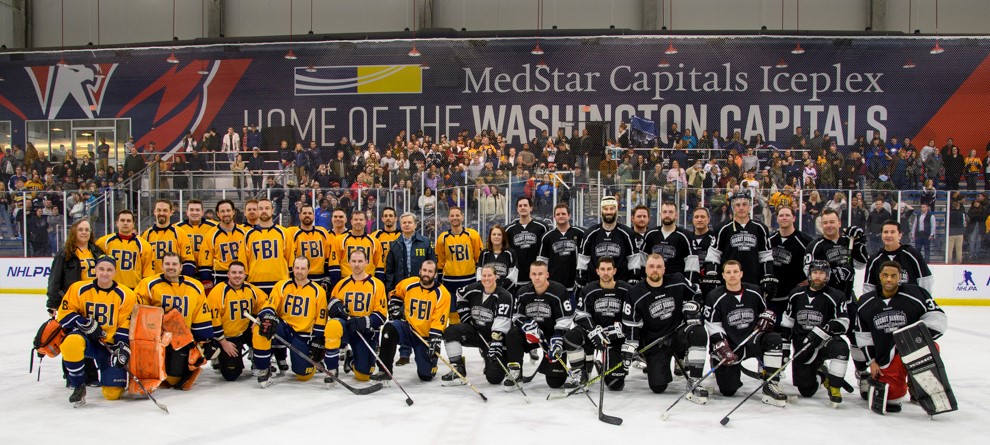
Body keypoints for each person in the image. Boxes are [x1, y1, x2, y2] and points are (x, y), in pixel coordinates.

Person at [854, 261, 948, 414]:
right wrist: (872, 362)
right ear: (879, 277)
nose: (889, 280)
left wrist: (911, 340)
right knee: (891, 401)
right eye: (885, 275)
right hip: (886, 358)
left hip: (912, 350)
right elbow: (864, 337)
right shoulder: (865, 302)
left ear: (900, 277)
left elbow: (938, 320)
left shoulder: (917, 294)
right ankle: (894, 383)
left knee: (930, 349)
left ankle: (917, 384)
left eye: (893, 276)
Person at [620, 254, 705, 399]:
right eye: (651, 266)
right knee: (658, 387)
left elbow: (696, 293)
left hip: (678, 333)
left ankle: (695, 379)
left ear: (664, 269)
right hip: (656, 342)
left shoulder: (677, 280)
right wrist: (631, 345)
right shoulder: (635, 293)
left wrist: (695, 305)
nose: (655, 270)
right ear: (645, 269)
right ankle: (648, 359)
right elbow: (632, 324)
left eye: (659, 267)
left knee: (698, 332)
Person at [56, 255, 138, 406]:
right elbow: (63, 315)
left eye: (109, 270)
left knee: (111, 394)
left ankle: (110, 377)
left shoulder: (127, 295)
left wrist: (122, 346)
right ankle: (79, 385)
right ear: (95, 270)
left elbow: (126, 323)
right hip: (86, 340)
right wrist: (84, 322)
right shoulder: (78, 288)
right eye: (101, 269)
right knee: (70, 342)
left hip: (109, 346)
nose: (104, 273)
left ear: (115, 272)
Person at [704, 260, 787, 406]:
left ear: (741, 273)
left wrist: (768, 317)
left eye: (735, 272)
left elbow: (765, 312)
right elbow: (713, 325)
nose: (732, 275)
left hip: (752, 339)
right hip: (731, 345)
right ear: (723, 275)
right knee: (728, 390)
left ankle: (771, 383)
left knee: (774, 338)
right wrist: (721, 345)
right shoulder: (714, 296)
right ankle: (717, 362)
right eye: (728, 272)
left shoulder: (755, 291)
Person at [134, 252, 214, 389]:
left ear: (181, 267)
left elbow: (200, 314)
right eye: (167, 264)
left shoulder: (194, 286)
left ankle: (189, 368)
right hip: (156, 338)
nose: (171, 267)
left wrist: (204, 340)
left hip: (181, 340)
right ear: (162, 266)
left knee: (172, 380)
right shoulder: (148, 284)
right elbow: (140, 313)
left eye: (174, 264)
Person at [252, 256, 331, 387]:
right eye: (297, 268)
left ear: (308, 269)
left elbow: (321, 319)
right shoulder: (282, 286)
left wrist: (318, 340)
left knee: (303, 375)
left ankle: (311, 365)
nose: (299, 271)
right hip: (283, 328)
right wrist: (265, 316)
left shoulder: (318, 291)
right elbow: (270, 305)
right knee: (262, 325)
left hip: (302, 335)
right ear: (293, 268)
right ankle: (263, 369)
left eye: (303, 268)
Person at [781, 260, 850, 406]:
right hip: (803, 346)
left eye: (822, 273)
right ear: (809, 274)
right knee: (806, 391)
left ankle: (835, 386)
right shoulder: (795, 294)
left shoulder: (836, 296)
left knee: (841, 348)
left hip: (825, 343)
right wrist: (785, 352)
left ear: (827, 276)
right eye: (815, 273)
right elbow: (787, 323)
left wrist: (823, 330)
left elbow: (844, 323)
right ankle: (821, 374)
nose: (818, 276)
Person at [47, 219, 105, 386]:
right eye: (81, 229)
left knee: (90, 337)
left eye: (87, 229)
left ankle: (92, 375)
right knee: (71, 338)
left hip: (92, 301)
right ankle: (71, 377)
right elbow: (55, 280)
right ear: (74, 232)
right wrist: (52, 303)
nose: (84, 232)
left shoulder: (95, 251)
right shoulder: (65, 253)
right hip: (71, 302)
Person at [372, 260, 451, 382]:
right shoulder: (409, 283)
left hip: (425, 338)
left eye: (430, 271)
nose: (426, 274)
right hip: (408, 329)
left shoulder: (443, 294)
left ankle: (431, 365)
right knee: (389, 328)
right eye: (424, 270)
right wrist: (395, 307)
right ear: (420, 271)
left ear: (435, 274)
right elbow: (396, 294)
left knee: (426, 376)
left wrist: (434, 340)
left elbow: (439, 320)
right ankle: (384, 370)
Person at [441, 265, 517, 386]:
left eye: (490, 275)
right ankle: (458, 368)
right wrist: (465, 314)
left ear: (496, 276)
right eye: (484, 275)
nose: (486, 279)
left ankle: (501, 360)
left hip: (493, 339)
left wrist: (495, 341)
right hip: (475, 331)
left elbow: (502, 322)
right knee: (450, 332)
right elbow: (460, 295)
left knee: (494, 378)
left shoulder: (505, 296)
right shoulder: (475, 288)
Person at [701, 190, 775, 301]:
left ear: (749, 207)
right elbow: (714, 254)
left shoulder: (760, 228)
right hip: (728, 281)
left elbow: (765, 255)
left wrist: (768, 276)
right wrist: (712, 274)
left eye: (744, 204)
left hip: (753, 280)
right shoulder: (722, 228)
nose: (741, 208)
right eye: (737, 205)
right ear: (733, 207)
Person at [326, 249, 387, 382]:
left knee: (363, 375)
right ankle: (331, 369)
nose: (357, 264)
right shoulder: (342, 284)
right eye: (354, 261)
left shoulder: (377, 285)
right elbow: (331, 304)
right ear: (349, 263)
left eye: (360, 261)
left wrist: (364, 322)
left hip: (365, 332)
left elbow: (382, 315)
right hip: (346, 327)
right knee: (333, 324)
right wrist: (336, 308)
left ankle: (352, 359)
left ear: (366, 262)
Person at [511, 260, 572, 388]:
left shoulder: (559, 291)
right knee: (513, 333)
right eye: (534, 274)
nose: (537, 277)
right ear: (530, 275)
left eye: (540, 274)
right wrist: (525, 325)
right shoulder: (523, 292)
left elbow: (565, 318)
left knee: (555, 383)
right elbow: (516, 316)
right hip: (532, 335)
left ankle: (552, 359)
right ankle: (515, 371)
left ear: (547, 275)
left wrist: (557, 337)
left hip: (552, 337)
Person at [204, 261, 265, 381]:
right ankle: (219, 354)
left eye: (240, 273)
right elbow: (213, 321)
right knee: (231, 375)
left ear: (245, 274)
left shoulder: (250, 289)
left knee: (266, 326)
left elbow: (266, 303)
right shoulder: (218, 292)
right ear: (228, 274)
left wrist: (260, 317)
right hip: (226, 336)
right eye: (234, 272)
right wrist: (223, 342)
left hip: (245, 331)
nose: (237, 275)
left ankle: (257, 357)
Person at [578, 196, 640, 285]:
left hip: (620, 285)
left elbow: (633, 260)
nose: (609, 212)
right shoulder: (590, 233)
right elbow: (583, 260)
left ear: (616, 210)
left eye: (612, 208)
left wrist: (633, 279)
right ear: (601, 211)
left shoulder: (627, 233)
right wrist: (581, 279)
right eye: (605, 209)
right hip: (595, 285)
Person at [768, 206, 813, 326]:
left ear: (794, 218)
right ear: (777, 219)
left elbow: (815, 266)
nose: (784, 218)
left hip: (794, 297)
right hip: (772, 297)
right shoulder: (769, 240)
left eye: (787, 215)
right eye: (781, 215)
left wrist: (809, 280)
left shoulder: (806, 242)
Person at [863, 220, 933, 295]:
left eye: (892, 232)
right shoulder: (874, 259)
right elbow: (869, 288)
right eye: (885, 232)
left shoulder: (912, 254)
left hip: (909, 304)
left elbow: (925, 281)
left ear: (900, 235)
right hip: (884, 305)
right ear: (881, 235)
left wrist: (922, 301)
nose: (888, 235)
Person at [243, 198, 293, 294]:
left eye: (267, 208)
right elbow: (244, 262)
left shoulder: (284, 232)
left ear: (272, 210)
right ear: (257, 211)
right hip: (255, 283)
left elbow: (290, 260)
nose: (264, 211)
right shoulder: (248, 235)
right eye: (261, 208)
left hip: (279, 283)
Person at [642, 202, 699, 285]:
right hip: (653, 281)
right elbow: (643, 259)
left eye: (671, 212)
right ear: (660, 214)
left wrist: (689, 284)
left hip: (675, 283)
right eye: (664, 212)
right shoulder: (650, 234)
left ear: (676, 215)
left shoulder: (685, 236)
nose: (667, 215)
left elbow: (692, 263)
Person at [435, 206, 483, 307]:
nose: (454, 217)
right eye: (452, 215)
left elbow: (479, 258)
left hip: (469, 280)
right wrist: (440, 281)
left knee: (469, 310)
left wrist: (479, 279)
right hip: (449, 281)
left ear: (462, 217)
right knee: (452, 311)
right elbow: (440, 261)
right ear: (448, 218)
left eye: (457, 215)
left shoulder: (472, 235)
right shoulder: (442, 238)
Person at [96, 209, 155, 290]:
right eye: (122, 220)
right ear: (117, 223)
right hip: (110, 288)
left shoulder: (144, 245)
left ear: (133, 224)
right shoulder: (104, 242)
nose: (125, 223)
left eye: (128, 221)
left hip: (133, 289)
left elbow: (147, 274)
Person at [536, 203, 585, 296]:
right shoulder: (547, 237)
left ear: (569, 216)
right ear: (554, 217)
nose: (561, 216)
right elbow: (542, 261)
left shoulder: (580, 233)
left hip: (576, 284)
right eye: (558, 214)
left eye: (563, 214)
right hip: (554, 285)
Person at [141, 199, 196, 277]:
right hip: (153, 280)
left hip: (174, 279)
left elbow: (188, 260)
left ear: (171, 212)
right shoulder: (146, 235)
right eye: (159, 210)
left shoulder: (180, 233)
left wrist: (183, 281)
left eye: (165, 210)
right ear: (154, 212)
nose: (162, 213)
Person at [329, 210, 384, 286]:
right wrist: (336, 286)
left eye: (361, 220)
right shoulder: (339, 240)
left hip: (368, 283)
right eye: (356, 219)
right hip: (346, 282)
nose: (358, 222)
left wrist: (377, 285)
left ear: (365, 222)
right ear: (351, 221)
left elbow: (379, 267)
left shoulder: (375, 242)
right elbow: (334, 266)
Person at [201, 199, 248, 285]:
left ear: (233, 212)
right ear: (218, 214)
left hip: (241, 275)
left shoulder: (245, 232)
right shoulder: (211, 234)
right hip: (220, 276)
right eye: (222, 211)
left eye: (228, 210)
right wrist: (207, 282)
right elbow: (205, 262)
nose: (226, 214)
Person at [505, 197, 548, 289]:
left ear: (531, 208)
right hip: (516, 275)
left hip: (536, 276)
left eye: (525, 205)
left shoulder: (542, 227)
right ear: (517, 209)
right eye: (520, 206)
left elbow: (545, 251)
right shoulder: (509, 229)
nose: (523, 208)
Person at [176, 200, 218, 289]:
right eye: (191, 210)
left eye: (197, 210)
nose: (194, 213)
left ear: (202, 212)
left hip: (207, 270)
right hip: (185, 269)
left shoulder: (214, 227)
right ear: (187, 212)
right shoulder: (177, 228)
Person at [288, 204, 333, 287]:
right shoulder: (292, 233)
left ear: (314, 215)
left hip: (319, 277)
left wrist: (327, 277)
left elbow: (328, 257)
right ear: (300, 215)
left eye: (309, 213)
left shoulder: (322, 232)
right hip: (300, 277)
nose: (307, 215)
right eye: (304, 213)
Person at [476, 224, 518, 290]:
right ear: (490, 236)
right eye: (494, 234)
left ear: (503, 237)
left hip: (505, 292)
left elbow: (513, 275)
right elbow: (479, 274)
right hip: (487, 291)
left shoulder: (510, 253)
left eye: (499, 234)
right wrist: (487, 288)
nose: (496, 237)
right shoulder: (484, 253)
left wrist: (501, 290)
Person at [371, 207, 401, 271]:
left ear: (396, 218)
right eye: (385, 216)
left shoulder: (402, 235)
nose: (388, 218)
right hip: (381, 271)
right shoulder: (375, 236)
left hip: (398, 271)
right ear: (382, 219)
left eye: (390, 216)